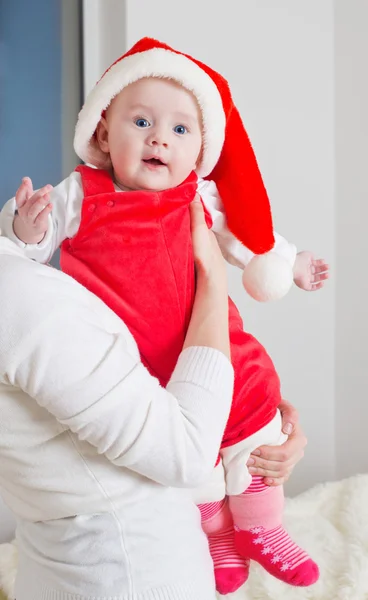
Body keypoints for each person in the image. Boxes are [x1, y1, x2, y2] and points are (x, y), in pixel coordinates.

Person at [0, 37, 327, 594]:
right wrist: (26, 228)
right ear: (103, 133)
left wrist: (288, 263)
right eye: (142, 121)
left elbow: (247, 238)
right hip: (135, 360)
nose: (159, 139)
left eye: (180, 130)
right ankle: (219, 536)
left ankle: (264, 526)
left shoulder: (197, 197)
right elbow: (24, 246)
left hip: (211, 344)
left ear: (200, 151)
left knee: (256, 421)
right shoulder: (83, 193)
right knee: (194, 464)